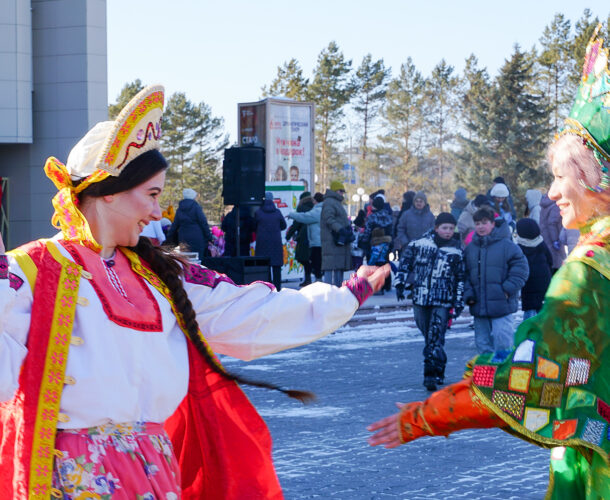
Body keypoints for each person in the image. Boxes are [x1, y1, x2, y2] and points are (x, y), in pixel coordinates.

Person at [0, 85, 391, 500]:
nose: (157, 211)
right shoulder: (31, 273)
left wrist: (347, 294)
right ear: (107, 190)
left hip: (156, 473)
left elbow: (252, 315)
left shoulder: (161, 276)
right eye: (151, 195)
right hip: (72, 480)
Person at [367, 27, 610, 498]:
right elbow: (579, 374)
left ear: (596, 182)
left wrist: (428, 414)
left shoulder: (590, 270)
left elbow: (540, 376)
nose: (554, 192)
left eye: (562, 177)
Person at [395, 213, 465, 391]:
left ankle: (430, 373)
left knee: (435, 335)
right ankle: (439, 361)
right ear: (436, 228)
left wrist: (458, 302)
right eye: (444, 228)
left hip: (443, 300)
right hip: (421, 297)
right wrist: (400, 283)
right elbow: (405, 263)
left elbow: (460, 279)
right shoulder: (419, 245)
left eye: (451, 228)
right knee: (429, 334)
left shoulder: (456, 251)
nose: (448, 232)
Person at [464, 207, 529, 353]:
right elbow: (465, 273)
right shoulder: (471, 248)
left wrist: (507, 289)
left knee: (503, 343)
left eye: (484, 223)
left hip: (501, 304)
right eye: (478, 223)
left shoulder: (507, 246)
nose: (481, 227)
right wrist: (469, 294)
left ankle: (503, 373)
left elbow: (521, 269)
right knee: (482, 344)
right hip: (479, 305)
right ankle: (486, 373)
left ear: (492, 224)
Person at [515, 218, 552, 320]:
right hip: (544, 282)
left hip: (528, 285)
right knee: (543, 309)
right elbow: (550, 260)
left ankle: (529, 332)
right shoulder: (541, 243)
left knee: (530, 311)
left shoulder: (519, 247)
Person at [166, 188, 212, 261]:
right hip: (197, 237)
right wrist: (209, 237)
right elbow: (203, 222)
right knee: (197, 260)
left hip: (183, 237)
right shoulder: (196, 207)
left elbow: (175, 225)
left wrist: (168, 238)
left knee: (186, 260)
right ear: (193, 196)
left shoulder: (179, 209)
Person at [320, 181, 352, 287]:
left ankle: (336, 290)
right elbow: (328, 218)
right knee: (331, 266)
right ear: (334, 191)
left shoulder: (335, 202)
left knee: (338, 266)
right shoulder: (330, 202)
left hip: (337, 240)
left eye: (343, 191)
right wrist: (340, 229)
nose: (342, 193)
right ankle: (329, 290)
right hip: (332, 240)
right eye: (340, 191)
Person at [287, 192, 323, 285]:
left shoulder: (305, 208)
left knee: (306, 259)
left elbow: (300, 220)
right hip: (312, 238)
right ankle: (314, 278)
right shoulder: (316, 208)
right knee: (311, 259)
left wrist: (289, 234)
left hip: (305, 238)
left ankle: (312, 279)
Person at [254, 192, 287, 290]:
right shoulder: (277, 212)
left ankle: (267, 287)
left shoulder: (258, 212)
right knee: (276, 267)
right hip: (275, 242)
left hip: (262, 242)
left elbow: (253, 226)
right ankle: (277, 288)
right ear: (272, 200)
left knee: (264, 266)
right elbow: (283, 225)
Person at [359, 196, 393, 261]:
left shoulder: (372, 217)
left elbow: (367, 232)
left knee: (373, 265)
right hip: (386, 244)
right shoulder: (389, 217)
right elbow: (391, 231)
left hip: (373, 244)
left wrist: (363, 242)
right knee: (384, 265)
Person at [540, 192, 566, 273]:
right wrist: (555, 240)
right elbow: (552, 223)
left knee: (550, 264)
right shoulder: (556, 206)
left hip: (546, 237)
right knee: (556, 265)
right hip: (553, 238)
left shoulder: (546, 204)